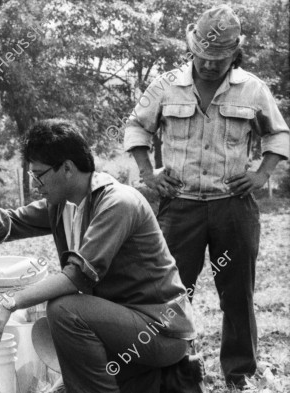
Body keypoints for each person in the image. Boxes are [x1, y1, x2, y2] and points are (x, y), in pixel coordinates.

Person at [0, 119, 200, 393]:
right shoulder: (63, 204)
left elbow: (78, 276)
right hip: (125, 326)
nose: (36, 183)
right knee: (59, 323)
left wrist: (9, 301)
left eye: (39, 174)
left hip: (159, 330)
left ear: (67, 168)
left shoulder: (117, 203)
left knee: (64, 309)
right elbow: (10, 221)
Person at [124, 5, 289, 389]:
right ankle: (175, 370)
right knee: (172, 293)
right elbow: (136, 127)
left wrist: (261, 174)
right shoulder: (165, 86)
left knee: (237, 292)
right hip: (179, 207)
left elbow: (278, 135)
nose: (211, 65)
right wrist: (148, 175)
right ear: (192, 48)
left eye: (221, 58)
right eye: (205, 57)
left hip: (233, 206)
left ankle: (240, 374)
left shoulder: (252, 88)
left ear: (235, 54)